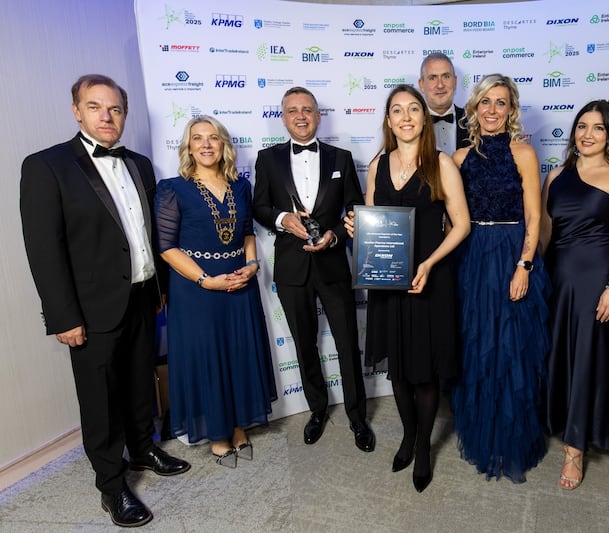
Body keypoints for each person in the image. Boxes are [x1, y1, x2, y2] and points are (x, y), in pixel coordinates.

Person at [19, 74, 190, 528]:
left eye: (115, 109)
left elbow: (150, 235)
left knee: (139, 381)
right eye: (95, 107)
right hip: (90, 308)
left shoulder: (140, 164)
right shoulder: (46, 166)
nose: (107, 116)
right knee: (100, 399)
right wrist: (63, 316)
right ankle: (111, 485)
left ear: (124, 114)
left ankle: (144, 448)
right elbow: (44, 249)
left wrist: (160, 289)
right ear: (77, 111)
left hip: (142, 296)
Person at [344, 85, 470, 492]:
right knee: (398, 368)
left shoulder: (441, 163)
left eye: (413, 109)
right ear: (388, 120)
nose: (406, 117)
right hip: (388, 281)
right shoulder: (377, 164)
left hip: (428, 280)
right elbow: (373, 220)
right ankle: (408, 435)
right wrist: (356, 228)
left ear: (424, 117)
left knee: (425, 370)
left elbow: (462, 225)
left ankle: (424, 448)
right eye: (397, 110)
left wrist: (430, 264)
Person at [253, 87, 375, 452]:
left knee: (348, 344)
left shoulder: (342, 157)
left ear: (318, 115)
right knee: (304, 345)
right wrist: (282, 219)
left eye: (307, 109)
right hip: (291, 268)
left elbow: (355, 210)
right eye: (293, 110)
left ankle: (357, 417)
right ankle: (317, 410)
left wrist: (335, 236)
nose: (301, 116)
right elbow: (259, 207)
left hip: (333, 264)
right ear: (283, 118)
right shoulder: (267, 158)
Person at [154, 116, 278, 468]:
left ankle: (238, 426)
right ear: (188, 147)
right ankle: (217, 433)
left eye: (213, 138)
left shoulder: (241, 186)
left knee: (238, 354)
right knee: (208, 358)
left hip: (239, 283)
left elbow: (248, 233)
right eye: (198, 138)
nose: (206, 144)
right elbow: (166, 248)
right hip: (196, 289)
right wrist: (206, 280)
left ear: (224, 145)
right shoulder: (172, 188)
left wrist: (252, 265)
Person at [450, 74, 551, 483]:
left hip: (511, 253)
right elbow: (449, 217)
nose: (492, 110)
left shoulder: (523, 153)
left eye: (501, 103)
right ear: (474, 108)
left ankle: (512, 439)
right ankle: (483, 435)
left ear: (511, 110)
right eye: (486, 102)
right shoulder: (458, 158)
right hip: (472, 256)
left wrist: (524, 265)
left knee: (512, 348)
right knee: (477, 347)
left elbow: (535, 216)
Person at [540, 100, 609, 490]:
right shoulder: (557, 175)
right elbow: (546, 232)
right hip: (556, 279)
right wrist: (530, 272)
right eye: (582, 126)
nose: (587, 134)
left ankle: (575, 448)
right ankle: (553, 421)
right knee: (554, 355)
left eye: (598, 127)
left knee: (586, 361)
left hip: (597, 281)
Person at [418, 53, 469, 154]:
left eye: (446, 76)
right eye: (432, 78)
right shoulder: (411, 124)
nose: (440, 85)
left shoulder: (473, 122)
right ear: (421, 85)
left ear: (455, 82)